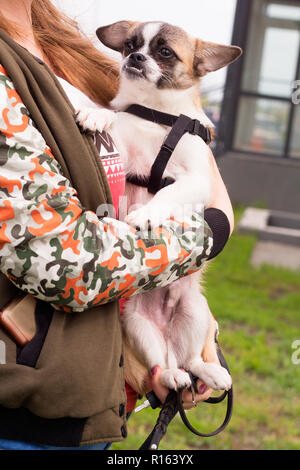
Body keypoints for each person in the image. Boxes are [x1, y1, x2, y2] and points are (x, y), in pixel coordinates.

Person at [0, 0, 234, 450]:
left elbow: (179, 171)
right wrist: (208, 231)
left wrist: (183, 337)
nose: (140, 56)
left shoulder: (68, 48)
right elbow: (65, 263)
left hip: (101, 399)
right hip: (25, 413)